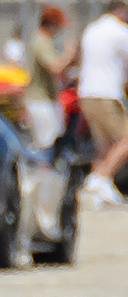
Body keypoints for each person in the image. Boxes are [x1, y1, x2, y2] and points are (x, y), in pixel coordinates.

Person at [77, 0, 128, 205]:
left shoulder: (92, 29)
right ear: (121, 11)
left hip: (87, 92)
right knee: (125, 140)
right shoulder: (120, 31)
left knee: (105, 144)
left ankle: (100, 192)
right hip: (107, 93)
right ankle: (102, 176)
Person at [25, 7, 77, 149]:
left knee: (53, 140)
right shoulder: (41, 41)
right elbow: (55, 67)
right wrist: (69, 53)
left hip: (48, 99)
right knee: (46, 144)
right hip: (41, 100)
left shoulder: (45, 41)